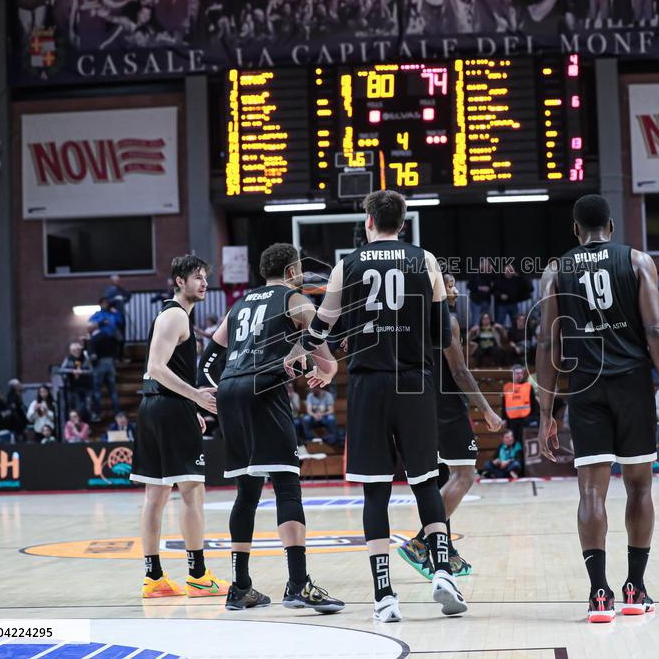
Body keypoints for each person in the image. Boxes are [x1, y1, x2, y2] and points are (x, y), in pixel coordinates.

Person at [283, 190, 467, 622]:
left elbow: (323, 327)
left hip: (368, 385)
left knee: (375, 490)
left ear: (369, 221)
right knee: (425, 480)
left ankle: (384, 595)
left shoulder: (348, 264)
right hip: (416, 382)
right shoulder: (426, 260)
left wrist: (304, 352)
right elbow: (443, 337)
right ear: (403, 223)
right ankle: (442, 571)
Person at [536, 194, 659, 623]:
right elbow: (657, 329)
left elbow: (548, 342)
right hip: (632, 384)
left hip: (585, 387)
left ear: (575, 229)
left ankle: (598, 593)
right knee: (639, 488)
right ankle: (635, 588)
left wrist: (548, 412)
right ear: (612, 228)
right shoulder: (638, 261)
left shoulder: (555, 269)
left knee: (591, 492)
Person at [200, 243, 344, 613]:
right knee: (287, 486)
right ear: (294, 270)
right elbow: (322, 336)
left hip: (230, 390)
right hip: (263, 388)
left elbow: (208, 359)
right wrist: (320, 364)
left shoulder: (239, 304)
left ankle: (240, 587)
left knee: (246, 493)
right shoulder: (293, 298)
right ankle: (298, 585)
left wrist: (214, 390)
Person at [130, 254, 229, 600]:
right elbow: (156, 367)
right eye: (197, 277)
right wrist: (195, 398)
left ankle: (154, 577)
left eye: (204, 277)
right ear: (179, 281)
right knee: (192, 492)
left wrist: (187, 404)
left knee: (155, 496)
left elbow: (158, 372)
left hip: (155, 407)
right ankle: (198, 575)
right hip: (168, 408)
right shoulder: (175, 315)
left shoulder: (170, 315)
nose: (203, 283)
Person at [397, 272, 504, 580]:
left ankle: (446, 554)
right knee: (464, 475)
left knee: (442, 478)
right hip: (445, 407)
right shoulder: (447, 320)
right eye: (450, 283)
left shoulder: (409, 320)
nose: (456, 289)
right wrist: (486, 408)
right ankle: (421, 541)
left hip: (417, 406)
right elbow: (458, 370)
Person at [90, 298, 123, 421]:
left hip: (103, 362)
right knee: (111, 390)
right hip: (109, 360)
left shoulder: (96, 337)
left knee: (99, 390)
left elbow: (119, 321)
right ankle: (114, 412)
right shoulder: (99, 316)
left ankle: (101, 413)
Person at [501, 365, 537, 443]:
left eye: (521, 373)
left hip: (525, 420)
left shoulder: (528, 386)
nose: (519, 375)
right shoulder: (507, 387)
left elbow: (534, 404)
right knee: (513, 442)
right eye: (517, 373)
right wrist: (503, 419)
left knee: (524, 442)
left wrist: (531, 418)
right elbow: (504, 404)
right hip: (511, 421)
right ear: (512, 374)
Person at [59, 341, 94, 420]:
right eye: (74, 350)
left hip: (86, 385)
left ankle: (88, 420)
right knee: (77, 406)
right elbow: (61, 369)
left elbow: (91, 371)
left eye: (78, 350)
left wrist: (82, 372)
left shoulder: (85, 359)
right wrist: (72, 371)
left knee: (87, 405)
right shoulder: (68, 359)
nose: (76, 352)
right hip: (74, 386)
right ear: (71, 351)